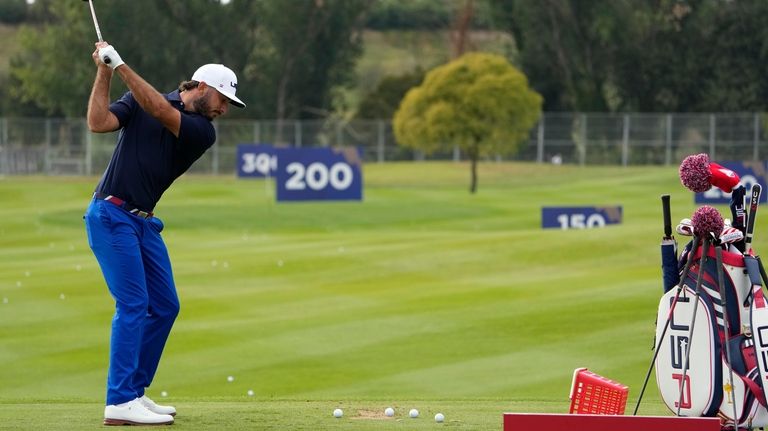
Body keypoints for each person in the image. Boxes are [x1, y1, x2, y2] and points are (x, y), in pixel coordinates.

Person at [83, 41, 245, 426]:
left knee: (166, 306)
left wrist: (120, 63)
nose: (224, 109)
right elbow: (98, 122)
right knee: (134, 305)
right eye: (223, 99)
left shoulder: (201, 131)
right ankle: (119, 402)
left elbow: (156, 107)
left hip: (142, 222)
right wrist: (104, 71)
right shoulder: (140, 98)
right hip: (111, 214)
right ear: (202, 87)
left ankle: (134, 392)